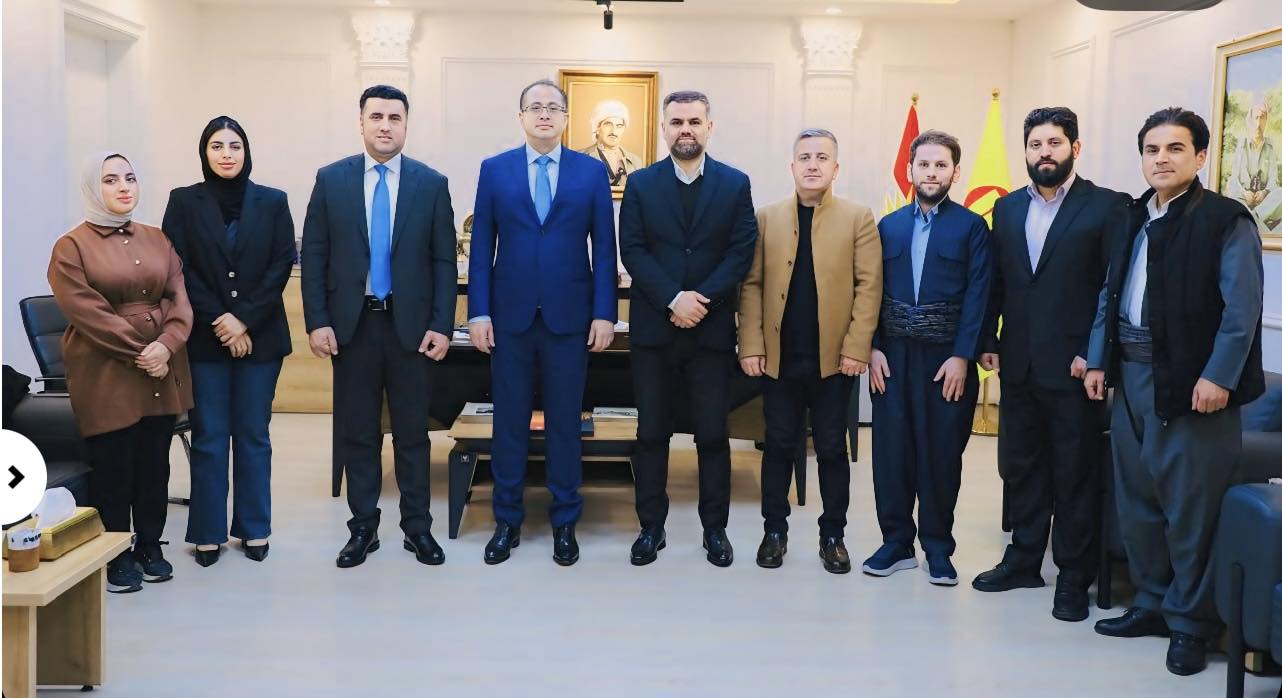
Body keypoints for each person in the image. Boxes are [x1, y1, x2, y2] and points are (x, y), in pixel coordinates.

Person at [1084, 107, 1264, 676]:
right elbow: (1110, 294)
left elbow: (1242, 310)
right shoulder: (1131, 216)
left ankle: (1191, 623)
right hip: (1130, 376)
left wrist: (1219, 376)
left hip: (1192, 384)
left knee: (1191, 509)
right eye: (1152, 149)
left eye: (1175, 148)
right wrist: (1098, 360)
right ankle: (1152, 602)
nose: (1161, 159)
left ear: (1201, 156)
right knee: (1138, 502)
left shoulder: (1225, 219)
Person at [971, 107, 1128, 621]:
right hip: (1018, 364)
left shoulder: (1106, 207)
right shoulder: (1007, 208)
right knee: (1023, 468)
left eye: (1055, 143)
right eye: (1036, 144)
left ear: (1074, 148)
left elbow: (1112, 289)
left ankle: (1074, 578)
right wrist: (989, 338)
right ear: (1026, 151)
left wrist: (1097, 354)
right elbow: (998, 281)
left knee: (1074, 475)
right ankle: (1023, 561)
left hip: (1076, 369)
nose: (1045, 153)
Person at [300, 84, 458, 569]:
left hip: (411, 329)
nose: (385, 125)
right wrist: (317, 321)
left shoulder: (431, 184)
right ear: (361, 122)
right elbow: (314, 255)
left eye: (394, 117)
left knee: (413, 434)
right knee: (360, 433)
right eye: (376, 117)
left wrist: (442, 325)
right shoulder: (332, 180)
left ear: (406, 125)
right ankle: (363, 528)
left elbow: (443, 261)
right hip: (353, 328)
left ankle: (418, 528)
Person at [468, 79, 617, 566]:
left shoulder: (590, 172)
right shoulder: (495, 170)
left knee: (565, 425)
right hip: (509, 319)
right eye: (535, 107)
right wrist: (478, 311)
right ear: (521, 117)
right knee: (508, 424)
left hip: (569, 320)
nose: (545, 114)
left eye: (554, 107)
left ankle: (565, 521)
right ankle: (506, 520)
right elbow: (482, 246)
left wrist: (604, 313)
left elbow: (604, 248)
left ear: (567, 117)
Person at [619, 90, 758, 567]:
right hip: (654, 332)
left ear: (709, 128)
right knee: (651, 434)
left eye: (694, 122)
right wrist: (672, 298)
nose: (685, 130)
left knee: (713, 435)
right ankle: (650, 528)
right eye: (677, 122)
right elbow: (632, 249)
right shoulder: (641, 184)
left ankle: (714, 530)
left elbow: (741, 251)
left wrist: (700, 299)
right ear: (664, 129)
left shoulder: (735, 184)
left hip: (710, 332)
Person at [48, 152, 194, 593]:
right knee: (114, 466)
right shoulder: (71, 247)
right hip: (106, 368)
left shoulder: (157, 238)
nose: (124, 187)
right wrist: (143, 351)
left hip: (161, 366)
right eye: (110, 180)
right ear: (94, 189)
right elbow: (87, 312)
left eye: (129, 178)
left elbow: (178, 297)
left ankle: (150, 544)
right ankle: (116, 554)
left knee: (154, 464)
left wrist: (167, 344)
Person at [738, 128, 882, 573]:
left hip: (835, 360)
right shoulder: (767, 217)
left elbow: (869, 286)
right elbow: (752, 285)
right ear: (792, 166)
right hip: (779, 358)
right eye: (805, 157)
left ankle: (832, 535)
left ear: (836, 168)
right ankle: (774, 532)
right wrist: (752, 344)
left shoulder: (858, 218)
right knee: (778, 445)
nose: (813, 164)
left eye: (822, 157)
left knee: (833, 449)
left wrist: (857, 347)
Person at [162, 116, 296, 567]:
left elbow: (281, 264)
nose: (226, 154)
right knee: (210, 437)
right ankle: (207, 532)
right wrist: (222, 320)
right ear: (204, 153)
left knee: (254, 435)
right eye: (216, 146)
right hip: (205, 339)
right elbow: (177, 268)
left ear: (246, 151)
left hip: (261, 338)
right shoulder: (183, 201)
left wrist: (243, 320)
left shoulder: (273, 201)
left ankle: (255, 528)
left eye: (234, 145)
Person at [863, 130, 990, 587]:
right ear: (910, 170)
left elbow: (979, 295)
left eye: (941, 165)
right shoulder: (888, 227)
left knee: (940, 455)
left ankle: (938, 547)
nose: (931, 173)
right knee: (892, 452)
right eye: (924, 165)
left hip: (945, 360)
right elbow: (870, 291)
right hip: (893, 357)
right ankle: (896, 543)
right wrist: (872, 347)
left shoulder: (972, 228)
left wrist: (963, 356)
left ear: (955, 172)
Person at [1226, 100, 1282, 231]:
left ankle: (1254, 216)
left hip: (1264, 203)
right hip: (1243, 198)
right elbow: (1234, 178)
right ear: (1250, 120)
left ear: (1266, 120)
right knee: (1232, 198)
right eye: (1256, 118)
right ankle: (1263, 228)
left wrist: (1264, 192)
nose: (1258, 124)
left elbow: (1273, 179)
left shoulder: (1270, 147)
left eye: (1262, 118)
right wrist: (1244, 193)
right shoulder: (1241, 144)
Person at [577, 99, 644, 188]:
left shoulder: (636, 162)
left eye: (619, 126)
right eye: (608, 124)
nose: (613, 131)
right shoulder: (579, 158)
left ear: (624, 129)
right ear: (597, 128)